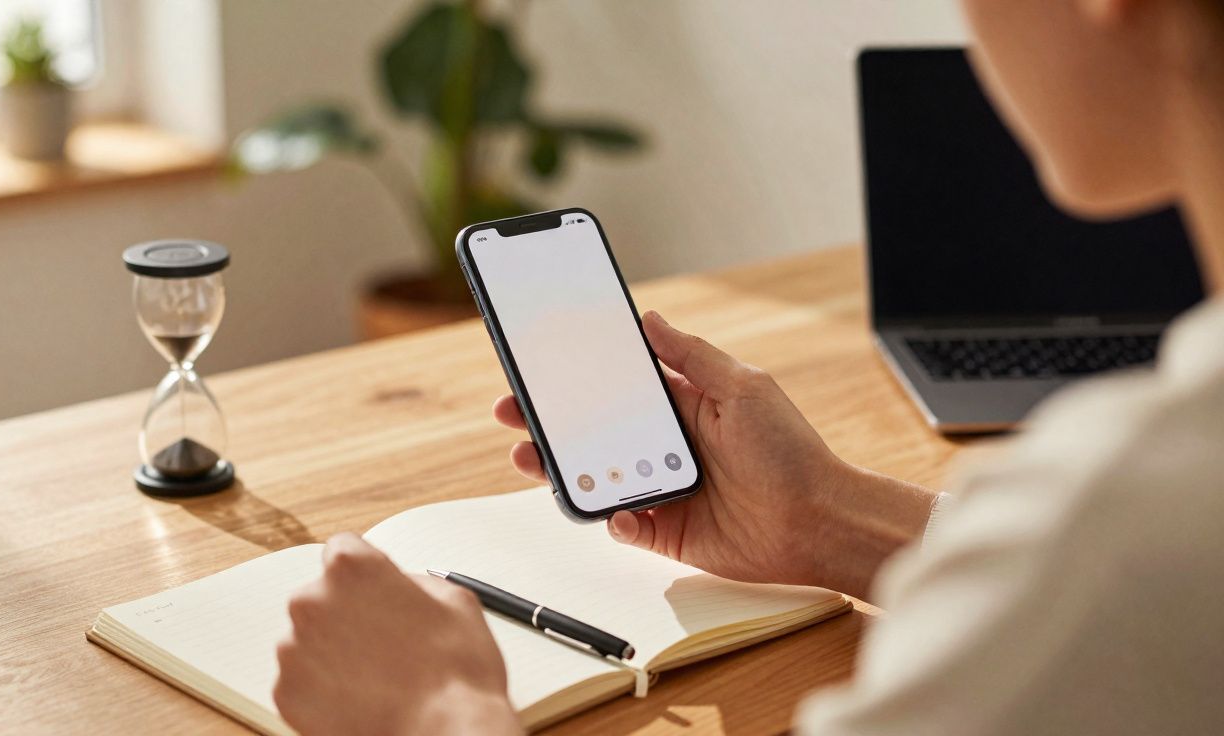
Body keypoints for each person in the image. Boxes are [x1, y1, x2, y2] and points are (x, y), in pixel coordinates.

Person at [270, 0, 1224, 733]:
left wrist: (442, 709)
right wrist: (829, 518)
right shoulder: (1130, 527)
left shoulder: (1128, 520)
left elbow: (1111, 579)